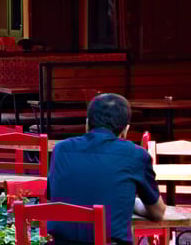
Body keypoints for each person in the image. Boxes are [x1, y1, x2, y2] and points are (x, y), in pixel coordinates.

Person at [48, 94, 167, 245]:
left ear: (87, 124)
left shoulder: (60, 150)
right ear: (125, 130)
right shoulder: (135, 155)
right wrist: (133, 204)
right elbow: (157, 212)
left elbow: (54, 196)